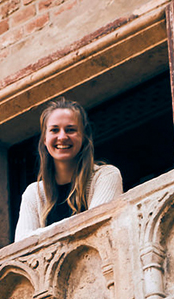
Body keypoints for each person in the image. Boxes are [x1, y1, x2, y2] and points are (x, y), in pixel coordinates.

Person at [14, 98, 123, 241]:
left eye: (70, 130)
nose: (62, 137)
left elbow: (96, 226)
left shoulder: (106, 176)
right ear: (44, 140)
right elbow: (22, 243)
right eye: (54, 130)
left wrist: (42, 235)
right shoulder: (33, 194)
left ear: (84, 137)